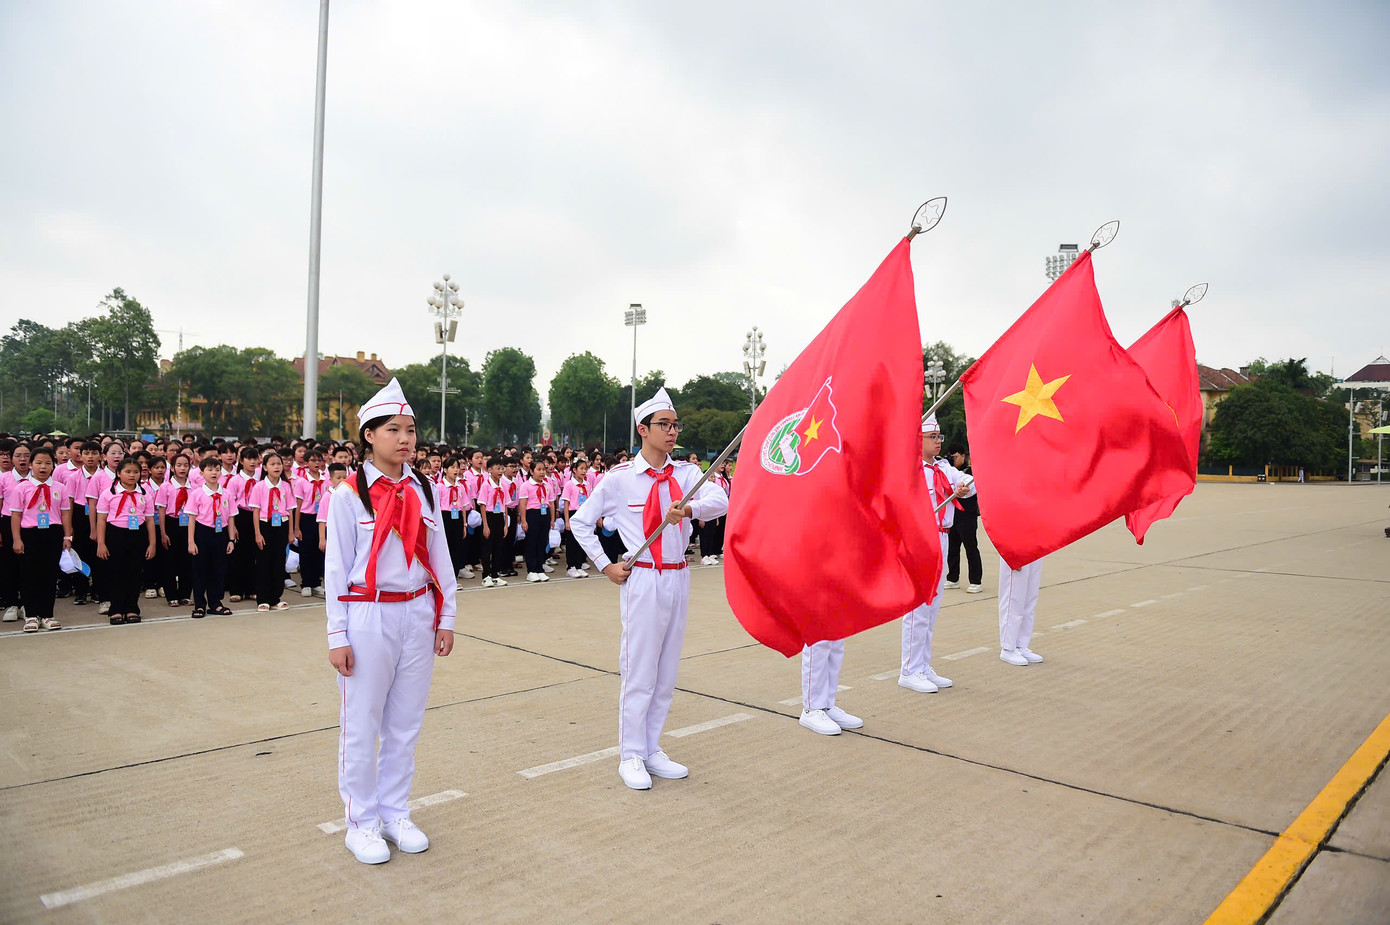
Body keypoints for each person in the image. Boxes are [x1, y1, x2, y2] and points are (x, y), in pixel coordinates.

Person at [324, 378, 458, 865]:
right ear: (369, 436)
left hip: (418, 610)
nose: (405, 439)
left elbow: (440, 555)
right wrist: (336, 634)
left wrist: (447, 616)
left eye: (411, 431)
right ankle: (360, 821)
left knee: (405, 723)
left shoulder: (423, 488)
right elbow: (335, 567)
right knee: (362, 723)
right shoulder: (348, 495)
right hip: (367, 613)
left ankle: (395, 811)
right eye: (393, 430)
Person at [570, 388, 729, 791]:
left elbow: (721, 499)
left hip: (678, 575)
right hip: (642, 577)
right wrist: (605, 565)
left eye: (675, 425)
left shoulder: (687, 475)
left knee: (666, 669)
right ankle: (631, 753)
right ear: (643, 429)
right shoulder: (620, 479)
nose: (672, 431)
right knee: (639, 668)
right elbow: (580, 522)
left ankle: (652, 746)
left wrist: (690, 509)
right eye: (664, 425)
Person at [899, 416, 975, 694]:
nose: (938, 441)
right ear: (918, 440)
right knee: (918, 607)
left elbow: (965, 482)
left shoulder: (943, 467)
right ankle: (909, 669)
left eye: (940, 436)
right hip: (920, 538)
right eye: (933, 436)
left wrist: (964, 486)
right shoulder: (910, 469)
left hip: (942, 536)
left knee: (932, 607)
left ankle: (922, 664)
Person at [7, 447, 72, 632]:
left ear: (53, 466)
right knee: (29, 576)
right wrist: (17, 539)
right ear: (30, 465)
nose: (43, 467)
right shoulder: (22, 488)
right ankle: (31, 616)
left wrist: (67, 536)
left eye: (47, 463)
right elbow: (16, 516)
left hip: (52, 533)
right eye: (38, 463)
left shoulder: (60, 488)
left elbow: (65, 514)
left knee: (49, 576)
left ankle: (47, 615)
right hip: (30, 534)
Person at [95, 456, 156, 625]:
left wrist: (152, 544)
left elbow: (150, 520)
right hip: (115, 535)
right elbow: (101, 520)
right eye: (127, 472)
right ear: (118, 473)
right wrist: (101, 543)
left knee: (135, 573)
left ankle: (132, 608)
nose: (132, 475)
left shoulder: (145, 494)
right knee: (116, 573)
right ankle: (116, 609)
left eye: (136, 472)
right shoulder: (108, 494)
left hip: (138, 535)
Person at [186, 456, 236, 619]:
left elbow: (230, 518)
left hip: (220, 533)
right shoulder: (197, 494)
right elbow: (192, 518)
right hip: (202, 533)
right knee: (200, 571)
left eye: (217, 469)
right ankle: (200, 605)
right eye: (209, 469)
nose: (214, 473)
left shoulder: (226, 493)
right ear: (201, 473)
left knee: (219, 570)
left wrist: (231, 540)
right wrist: (191, 541)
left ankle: (216, 603)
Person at [250, 450, 296, 611]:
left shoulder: (286, 486)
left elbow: (290, 510)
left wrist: (291, 532)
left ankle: (276, 597)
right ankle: (263, 598)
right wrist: (257, 533)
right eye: (273, 464)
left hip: (281, 525)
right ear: (264, 467)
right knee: (264, 563)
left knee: (278, 562)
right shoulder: (259, 487)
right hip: (264, 525)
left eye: (279, 463)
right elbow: (255, 511)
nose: (277, 467)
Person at [155, 453, 195, 607]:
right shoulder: (166, 486)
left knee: (187, 561)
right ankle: (171, 595)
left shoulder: (194, 488)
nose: (182, 468)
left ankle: (185, 594)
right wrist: (163, 532)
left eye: (186, 465)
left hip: (189, 524)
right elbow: (162, 510)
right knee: (169, 562)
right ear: (172, 468)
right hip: (172, 523)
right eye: (178, 465)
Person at [944, 444, 983, 593]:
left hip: (967, 516)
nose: (951, 460)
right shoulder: (948, 472)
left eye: (954, 457)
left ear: (963, 456)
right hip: (953, 515)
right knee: (952, 549)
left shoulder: (971, 472)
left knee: (971, 548)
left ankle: (975, 580)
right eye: (950, 457)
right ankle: (953, 578)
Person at [294, 450, 328, 597]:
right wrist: (296, 527)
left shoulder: (326, 480)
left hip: (322, 519)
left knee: (319, 551)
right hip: (307, 518)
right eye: (312, 460)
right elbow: (298, 506)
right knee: (306, 551)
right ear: (306, 463)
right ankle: (306, 583)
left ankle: (316, 583)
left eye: (318, 460)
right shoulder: (302, 481)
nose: (316, 463)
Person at [999, 557, 1044, 667]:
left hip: (1034, 543)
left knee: (1030, 596)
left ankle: (1021, 645)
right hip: (1016, 544)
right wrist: (1012, 553)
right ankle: (1008, 648)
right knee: (1014, 596)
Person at [519, 458, 555, 582]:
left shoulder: (547, 485)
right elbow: (523, 504)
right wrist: (524, 521)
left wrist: (552, 519)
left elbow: (551, 502)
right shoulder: (526, 485)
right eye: (538, 470)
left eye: (543, 469)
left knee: (542, 542)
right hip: (532, 514)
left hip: (545, 514)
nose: (542, 472)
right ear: (531, 471)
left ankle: (540, 568)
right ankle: (531, 570)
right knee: (531, 542)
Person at [477, 456, 510, 588]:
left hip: (499, 517)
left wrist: (506, 524)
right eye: (497, 468)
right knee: (487, 548)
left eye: (502, 468)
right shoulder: (486, 485)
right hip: (489, 517)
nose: (500, 471)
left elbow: (506, 505)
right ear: (490, 470)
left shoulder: (504, 485)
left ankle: (495, 575)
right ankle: (486, 576)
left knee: (498, 548)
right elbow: (482, 505)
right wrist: (485, 525)